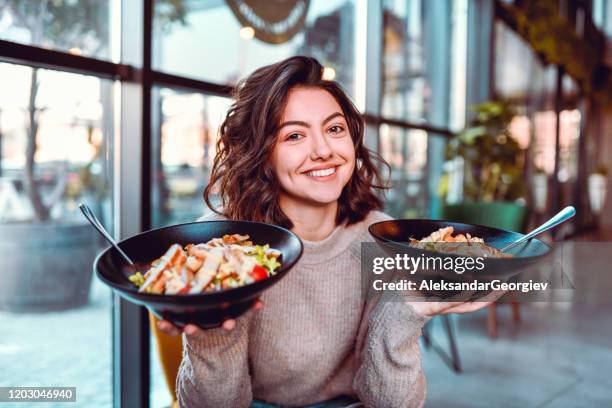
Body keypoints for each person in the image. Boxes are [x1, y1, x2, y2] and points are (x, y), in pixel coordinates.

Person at [157, 56, 494, 408]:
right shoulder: (220, 247)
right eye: (295, 135)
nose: (323, 151)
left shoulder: (381, 240)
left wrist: (406, 310)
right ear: (260, 154)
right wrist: (212, 332)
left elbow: (392, 404)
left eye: (334, 129)